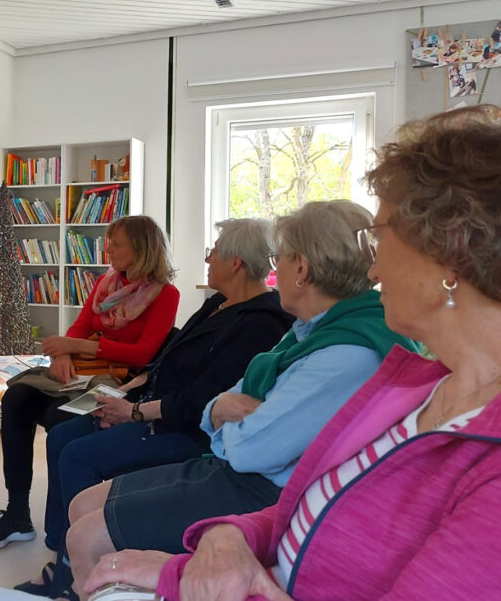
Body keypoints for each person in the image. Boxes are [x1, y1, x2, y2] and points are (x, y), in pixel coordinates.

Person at [71, 105, 501, 601]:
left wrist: (181, 574)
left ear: (448, 253)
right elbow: (322, 497)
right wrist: (232, 535)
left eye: (379, 237)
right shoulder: (425, 385)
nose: (373, 269)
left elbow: (262, 454)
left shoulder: (433, 408)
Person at [50, 201, 414, 598]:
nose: (276, 270)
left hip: (260, 488)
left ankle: (82, 585)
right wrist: (227, 411)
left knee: (86, 534)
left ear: (303, 269)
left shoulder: (342, 352)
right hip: (231, 463)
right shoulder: (306, 332)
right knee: (81, 504)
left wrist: (223, 415)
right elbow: (222, 402)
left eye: (282, 258)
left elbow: (247, 448)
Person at [0, 216, 179, 558]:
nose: (108, 249)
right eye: (109, 241)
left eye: (117, 244)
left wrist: (84, 348)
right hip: (83, 373)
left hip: (121, 382)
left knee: (61, 419)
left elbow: (143, 352)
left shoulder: (166, 295)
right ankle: (17, 513)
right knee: (17, 397)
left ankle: (67, 524)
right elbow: (78, 329)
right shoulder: (106, 284)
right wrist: (62, 357)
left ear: (142, 249)